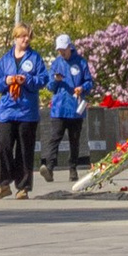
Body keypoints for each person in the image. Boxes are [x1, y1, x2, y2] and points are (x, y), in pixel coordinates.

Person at [0, 25, 43, 199]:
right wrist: (7, 80)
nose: (26, 40)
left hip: (27, 111)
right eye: (22, 36)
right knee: (2, 145)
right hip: (6, 110)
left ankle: (23, 187)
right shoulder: (5, 59)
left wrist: (27, 80)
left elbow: (43, 80)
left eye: (28, 37)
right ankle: (3, 184)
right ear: (15, 38)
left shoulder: (35, 58)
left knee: (25, 150)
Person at [42, 32, 93, 186]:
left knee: (74, 140)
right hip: (59, 108)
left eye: (64, 49)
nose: (61, 52)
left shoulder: (81, 62)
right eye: (59, 50)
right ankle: (49, 168)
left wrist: (82, 87)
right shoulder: (56, 63)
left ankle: (73, 168)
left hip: (75, 108)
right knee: (54, 138)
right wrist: (55, 80)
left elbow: (90, 82)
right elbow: (50, 86)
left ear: (70, 47)